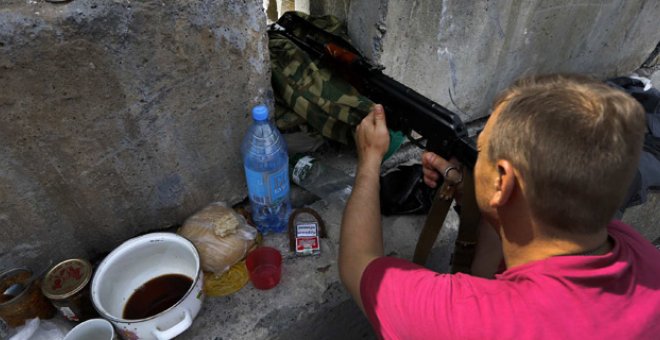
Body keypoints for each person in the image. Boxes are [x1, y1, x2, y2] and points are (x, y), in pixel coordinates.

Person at [339, 74, 660, 339]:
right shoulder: (644, 259)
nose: (475, 161)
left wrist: (370, 159)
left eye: (481, 151)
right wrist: (485, 200)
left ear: (503, 183)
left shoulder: (467, 321)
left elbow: (358, 264)